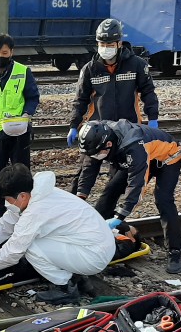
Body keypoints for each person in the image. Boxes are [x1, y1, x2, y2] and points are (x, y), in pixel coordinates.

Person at [0, 164, 116, 304]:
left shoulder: (36, 210)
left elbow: (13, 252)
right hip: (91, 243)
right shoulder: (35, 193)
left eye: (8, 199)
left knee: (30, 247)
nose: (7, 203)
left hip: (94, 254)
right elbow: (8, 221)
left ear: (22, 196)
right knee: (32, 241)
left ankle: (65, 288)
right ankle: (74, 274)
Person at [68, 17, 160, 201]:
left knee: (117, 179)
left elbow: (148, 92)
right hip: (97, 130)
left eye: (109, 44)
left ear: (119, 43)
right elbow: (80, 100)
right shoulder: (90, 69)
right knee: (85, 173)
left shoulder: (137, 65)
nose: (105, 48)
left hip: (126, 131)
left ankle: (108, 210)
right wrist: (73, 125)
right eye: (102, 44)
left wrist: (153, 118)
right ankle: (72, 204)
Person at [78, 119, 181, 274]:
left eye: (98, 154)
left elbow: (136, 185)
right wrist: (80, 197)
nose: (96, 156)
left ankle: (175, 251)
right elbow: (89, 168)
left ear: (109, 144)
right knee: (111, 190)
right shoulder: (95, 140)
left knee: (163, 199)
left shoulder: (133, 145)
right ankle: (96, 234)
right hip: (137, 158)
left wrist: (119, 217)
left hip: (167, 158)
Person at [0, 34, 40, 222]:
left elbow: (33, 97)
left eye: (4, 52)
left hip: (19, 130)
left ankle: (26, 207)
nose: (0, 56)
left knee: (22, 170)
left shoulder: (23, 71)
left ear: (11, 52)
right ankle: (0, 207)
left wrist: (27, 114)